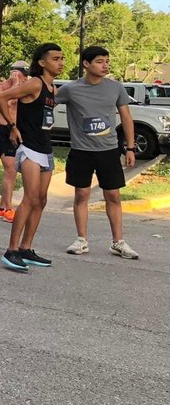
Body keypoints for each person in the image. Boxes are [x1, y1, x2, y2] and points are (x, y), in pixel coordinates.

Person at [60, 46, 139, 259]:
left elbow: (126, 117)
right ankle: (81, 240)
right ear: (86, 64)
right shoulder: (70, 89)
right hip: (81, 151)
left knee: (113, 195)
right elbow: (45, 101)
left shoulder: (115, 87)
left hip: (109, 150)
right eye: (99, 61)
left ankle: (118, 242)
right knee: (82, 194)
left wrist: (130, 148)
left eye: (107, 61)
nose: (105, 65)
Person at [0, 42, 64, 271]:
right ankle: (11, 250)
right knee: (30, 198)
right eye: (55, 58)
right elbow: (0, 98)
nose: (60, 63)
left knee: (41, 200)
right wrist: (12, 126)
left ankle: (26, 248)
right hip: (29, 147)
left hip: (45, 147)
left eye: (62, 58)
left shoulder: (53, 89)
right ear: (42, 62)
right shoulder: (34, 83)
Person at [0, 62, 28, 221]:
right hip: (5, 129)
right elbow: (9, 102)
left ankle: (1, 207)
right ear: (15, 73)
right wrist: (15, 83)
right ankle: (8, 208)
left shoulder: (25, 86)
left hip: (21, 130)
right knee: (10, 170)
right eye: (23, 75)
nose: (26, 78)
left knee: (23, 170)